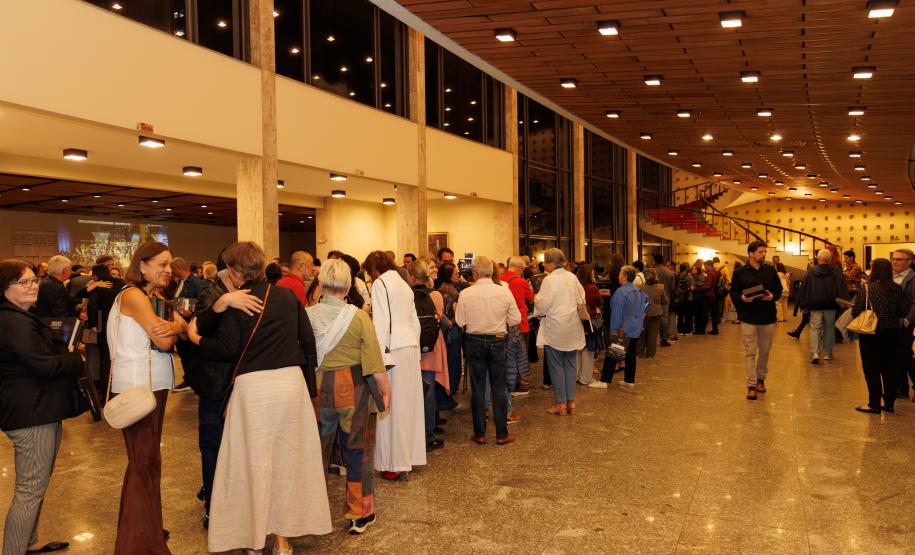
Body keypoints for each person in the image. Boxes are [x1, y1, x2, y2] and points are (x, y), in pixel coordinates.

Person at [187, 241, 331, 554]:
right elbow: (308, 343)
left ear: (237, 271)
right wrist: (308, 390)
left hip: (254, 391)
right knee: (288, 463)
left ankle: (254, 537)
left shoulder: (237, 301)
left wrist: (196, 337)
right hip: (291, 386)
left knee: (253, 463)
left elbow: (226, 349)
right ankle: (282, 541)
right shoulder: (287, 296)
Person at [0, 259, 87, 555]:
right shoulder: (12, 321)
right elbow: (43, 365)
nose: (33, 286)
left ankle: (28, 541)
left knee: (36, 486)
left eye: (33, 280)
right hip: (30, 412)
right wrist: (76, 360)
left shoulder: (21, 315)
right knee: (29, 491)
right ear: (5, 289)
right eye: (24, 282)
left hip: (36, 408)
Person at [110, 241, 187, 554]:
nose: (167, 270)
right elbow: (161, 337)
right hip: (136, 387)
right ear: (142, 265)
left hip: (153, 385)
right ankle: (139, 545)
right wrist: (181, 326)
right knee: (143, 464)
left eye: (169, 265)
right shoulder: (132, 295)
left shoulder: (152, 297)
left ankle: (147, 529)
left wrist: (174, 329)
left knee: (149, 462)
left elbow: (165, 339)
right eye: (162, 264)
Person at [306, 259, 391, 534]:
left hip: (317, 390)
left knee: (314, 451)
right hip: (353, 389)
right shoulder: (358, 317)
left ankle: (309, 513)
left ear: (320, 284)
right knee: (358, 450)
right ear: (347, 287)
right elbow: (373, 360)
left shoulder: (307, 316)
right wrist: (385, 389)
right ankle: (360, 513)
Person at [184, 252, 263, 530]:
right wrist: (221, 303)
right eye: (241, 272)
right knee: (213, 447)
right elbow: (196, 329)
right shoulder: (211, 293)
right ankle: (213, 507)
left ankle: (239, 503)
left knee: (245, 448)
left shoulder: (256, 292)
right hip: (215, 384)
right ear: (228, 269)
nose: (245, 278)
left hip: (246, 383)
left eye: (251, 273)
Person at [363, 251, 426, 480]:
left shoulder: (380, 283)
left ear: (373, 269)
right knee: (410, 405)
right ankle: (410, 457)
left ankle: (395, 464)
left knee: (391, 408)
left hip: (393, 350)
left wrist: (379, 358)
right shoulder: (403, 283)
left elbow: (381, 323)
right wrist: (416, 350)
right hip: (409, 346)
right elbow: (414, 321)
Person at [455, 256, 520, 443]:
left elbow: (460, 322)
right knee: (499, 387)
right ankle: (502, 434)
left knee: (478, 388)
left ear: (474, 273)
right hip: (498, 341)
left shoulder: (466, 293)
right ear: (491, 272)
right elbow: (515, 320)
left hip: (474, 341)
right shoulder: (504, 292)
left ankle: (480, 434)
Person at [851, 258, 910, 414]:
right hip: (892, 333)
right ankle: (889, 404)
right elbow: (904, 310)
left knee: (872, 369)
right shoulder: (897, 288)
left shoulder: (868, 288)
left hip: (871, 333)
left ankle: (874, 403)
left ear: (874, 270)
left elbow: (856, 311)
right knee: (890, 368)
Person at [534, 248, 585, 416]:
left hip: (555, 327)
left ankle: (560, 404)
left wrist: (536, 301)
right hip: (571, 326)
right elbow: (581, 300)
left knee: (556, 367)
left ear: (549, 263)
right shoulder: (572, 277)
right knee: (570, 365)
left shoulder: (549, 280)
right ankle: (571, 402)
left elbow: (542, 304)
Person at [730, 241, 782, 400]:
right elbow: (733, 292)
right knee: (750, 352)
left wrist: (772, 296)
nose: (763, 255)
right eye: (760, 252)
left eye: (764, 252)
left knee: (765, 351)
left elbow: (778, 290)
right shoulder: (739, 272)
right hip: (748, 317)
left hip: (767, 317)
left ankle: (761, 379)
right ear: (750, 254)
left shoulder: (770, 271)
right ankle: (751, 385)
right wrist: (742, 298)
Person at [409, 259, 449, 451]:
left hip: (412, 349)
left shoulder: (407, 295)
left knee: (415, 394)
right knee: (429, 392)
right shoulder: (435, 295)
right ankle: (428, 435)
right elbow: (440, 319)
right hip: (431, 348)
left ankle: (414, 435)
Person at [797, 249, 848, 364]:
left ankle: (815, 353)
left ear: (818, 259)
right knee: (829, 328)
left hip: (815, 304)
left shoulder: (811, 271)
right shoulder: (836, 271)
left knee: (815, 328)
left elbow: (804, 287)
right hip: (831, 304)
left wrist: (803, 303)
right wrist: (844, 303)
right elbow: (841, 287)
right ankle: (828, 353)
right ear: (829, 259)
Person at [86, 263, 125, 394]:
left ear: (95, 275)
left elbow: (92, 306)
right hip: (122, 323)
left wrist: (92, 324)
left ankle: (107, 393)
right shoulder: (120, 283)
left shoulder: (98, 286)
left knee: (105, 359)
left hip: (104, 325)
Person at [609, 266, 649, 387]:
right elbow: (647, 305)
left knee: (614, 354)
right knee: (631, 354)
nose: (618, 276)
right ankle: (629, 380)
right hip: (635, 327)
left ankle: (605, 380)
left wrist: (614, 330)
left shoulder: (621, 292)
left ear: (624, 277)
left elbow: (617, 312)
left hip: (622, 328)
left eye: (620, 274)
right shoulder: (638, 290)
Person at [502, 257, 534, 400]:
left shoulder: (500, 280)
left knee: (507, 355)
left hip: (504, 323)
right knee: (520, 355)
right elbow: (532, 298)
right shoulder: (521, 282)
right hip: (520, 322)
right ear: (520, 268)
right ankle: (519, 385)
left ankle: (508, 384)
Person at [434, 262, 463, 410]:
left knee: (443, 366)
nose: (458, 275)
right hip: (452, 332)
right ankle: (447, 399)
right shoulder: (453, 293)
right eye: (456, 273)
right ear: (449, 276)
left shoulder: (438, 290)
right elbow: (457, 316)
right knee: (452, 366)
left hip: (441, 332)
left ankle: (442, 398)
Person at [891, 249, 915, 399]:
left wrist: (908, 320)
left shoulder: (913, 278)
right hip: (893, 322)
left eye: (899, 259)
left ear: (910, 262)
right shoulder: (893, 277)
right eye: (893, 258)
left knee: (904, 354)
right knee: (896, 355)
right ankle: (901, 388)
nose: (895, 261)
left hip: (905, 322)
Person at [575, 264, 603, 385]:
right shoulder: (593, 288)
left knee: (576, 350)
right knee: (588, 351)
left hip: (575, 322)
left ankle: (575, 376)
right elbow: (599, 303)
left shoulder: (574, 287)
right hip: (589, 322)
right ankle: (585, 378)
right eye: (592, 275)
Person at [637, 268, 669, 358]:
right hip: (656, 313)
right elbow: (665, 301)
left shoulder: (640, 287)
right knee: (653, 334)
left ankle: (639, 352)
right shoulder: (660, 287)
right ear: (655, 276)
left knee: (642, 334)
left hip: (643, 313)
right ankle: (650, 354)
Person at [651, 255, 676, 346]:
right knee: (664, 318)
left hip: (652, 297)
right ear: (663, 261)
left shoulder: (651, 272)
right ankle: (664, 339)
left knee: (651, 317)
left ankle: (650, 339)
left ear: (655, 261)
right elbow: (672, 288)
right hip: (665, 297)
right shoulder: (670, 273)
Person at [674, 262, 693, 335]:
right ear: (686, 268)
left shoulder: (677, 275)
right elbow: (692, 287)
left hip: (679, 298)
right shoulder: (689, 277)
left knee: (680, 315)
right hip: (688, 298)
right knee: (688, 315)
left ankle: (680, 330)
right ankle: (688, 330)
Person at [703, 260, 721, 335]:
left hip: (710, 295)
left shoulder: (710, 273)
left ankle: (702, 328)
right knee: (714, 314)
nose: (704, 267)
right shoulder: (717, 272)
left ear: (709, 265)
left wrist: (702, 286)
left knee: (705, 313)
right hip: (716, 294)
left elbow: (708, 285)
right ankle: (715, 329)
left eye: (705, 265)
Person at [690, 263, 708, 334]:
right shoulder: (693, 276)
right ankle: (698, 328)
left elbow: (701, 286)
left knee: (700, 313)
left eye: (695, 269)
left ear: (698, 270)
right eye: (692, 269)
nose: (693, 270)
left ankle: (700, 329)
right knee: (697, 313)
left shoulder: (700, 276)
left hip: (700, 297)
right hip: (697, 297)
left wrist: (694, 286)